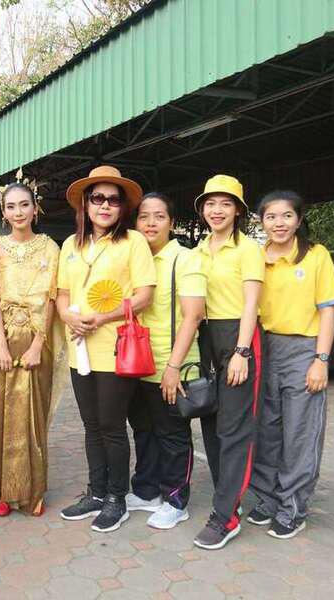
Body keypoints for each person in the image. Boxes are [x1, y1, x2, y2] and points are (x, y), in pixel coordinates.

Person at [55, 165, 156, 533]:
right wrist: (68, 316)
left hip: (116, 348)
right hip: (79, 347)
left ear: (122, 207)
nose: (105, 205)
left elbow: (144, 295)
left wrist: (104, 317)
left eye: (113, 200)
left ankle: (117, 497)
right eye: (98, 198)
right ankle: (96, 492)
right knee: (91, 425)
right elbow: (62, 294)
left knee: (112, 425)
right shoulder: (71, 244)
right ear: (85, 203)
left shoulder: (133, 242)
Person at [249, 190, 334, 539]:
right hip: (265, 347)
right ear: (261, 221)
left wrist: (321, 360)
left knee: (300, 432)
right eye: (271, 216)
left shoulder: (316, 255)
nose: (279, 223)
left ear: (299, 220)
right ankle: (267, 499)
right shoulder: (256, 258)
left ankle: (293, 507)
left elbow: (328, 311)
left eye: (287, 216)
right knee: (266, 429)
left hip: (304, 349)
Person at [191, 174, 265, 550]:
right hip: (207, 336)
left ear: (238, 210)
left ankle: (226, 517)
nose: (217, 210)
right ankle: (228, 496)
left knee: (234, 428)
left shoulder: (248, 249)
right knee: (211, 420)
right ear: (202, 209)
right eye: (210, 203)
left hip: (239, 334)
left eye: (225, 204)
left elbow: (251, 302)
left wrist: (242, 351)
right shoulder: (198, 249)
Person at [127, 192, 206, 530]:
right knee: (143, 430)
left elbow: (193, 315)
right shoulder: (133, 259)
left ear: (171, 223)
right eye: (144, 216)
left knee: (172, 435)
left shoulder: (185, 259)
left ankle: (175, 499)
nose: (150, 223)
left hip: (171, 363)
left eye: (159, 216)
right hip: (136, 363)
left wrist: (173, 367)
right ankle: (147, 491)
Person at [0, 182, 59, 516]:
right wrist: (0, 344)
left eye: (24, 205)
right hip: (1, 337)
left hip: (37, 338)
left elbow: (51, 298)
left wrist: (38, 345)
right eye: (11, 206)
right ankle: (2, 490)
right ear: (3, 211)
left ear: (35, 207)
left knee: (31, 414)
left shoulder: (50, 247)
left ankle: (32, 492)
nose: (18, 212)